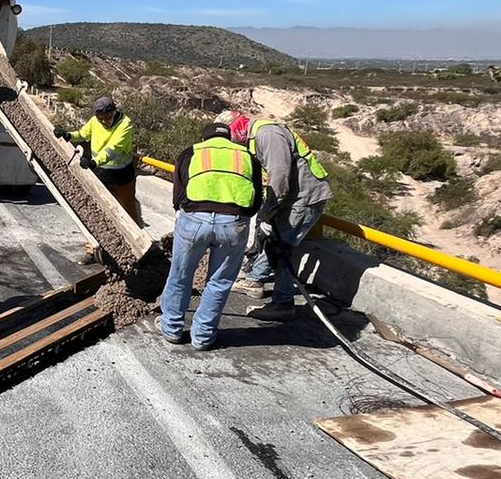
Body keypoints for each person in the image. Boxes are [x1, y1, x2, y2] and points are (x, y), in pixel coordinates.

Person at [155, 117, 263, 350]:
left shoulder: (192, 152)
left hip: (195, 220)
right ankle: (202, 337)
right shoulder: (246, 156)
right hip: (234, 224)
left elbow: (178, 194)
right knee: (220, 281)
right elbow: (257, 198)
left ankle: (172, 328)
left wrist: (186, 213)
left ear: (205, 138)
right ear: (230, 138)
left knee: (180, 275)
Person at [225, 110, 333, 321]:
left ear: (237, 127)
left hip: (303, 198)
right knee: (273, 242)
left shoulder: (268, 135)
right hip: (293, 197)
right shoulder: (258, 136)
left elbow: (279, 175)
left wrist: (268, 212)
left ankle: (283, 303)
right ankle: (255, 280)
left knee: (282, 250)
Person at [56, 96, 142, 224]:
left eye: (107, 117)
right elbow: (83, 134)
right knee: (101, 208)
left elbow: (114, 149)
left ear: (114, 112)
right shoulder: (95, 121)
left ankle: (138, 237)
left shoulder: (125, 124)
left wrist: (94, 162)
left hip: (122, 175)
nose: (104, 121)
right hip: (102, 173)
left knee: (128, 209)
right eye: (100, 119)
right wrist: (68, 135)